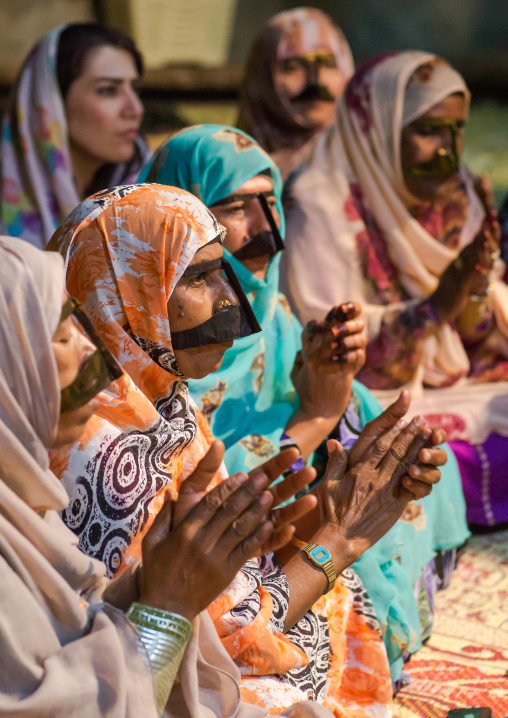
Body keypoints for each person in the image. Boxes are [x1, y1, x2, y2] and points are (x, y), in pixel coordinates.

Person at [48, 183, 439, 715]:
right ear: (129, 287)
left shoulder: (155, 398)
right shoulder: (105, 458)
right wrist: (341, 537)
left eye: (220, 271)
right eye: (198, 277)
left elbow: (228, 584)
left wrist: (330, 504)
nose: (231, 299)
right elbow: (234, 640)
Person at [140, 124, 469, 685]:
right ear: (180, 222)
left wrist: (337, 395)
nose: (266, 231)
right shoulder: (151, 351)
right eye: (233, 207)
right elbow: (205, 503)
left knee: (400, 449)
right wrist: (314, 419)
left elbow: (332, 418)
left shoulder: (274, 317)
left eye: (270, 203)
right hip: (210, 567)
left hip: (282, 506)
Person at [0, 234, 330, 717]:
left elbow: (85, 623)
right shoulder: (97, 461)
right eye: (59, 332)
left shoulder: (26, 499)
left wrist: (166, 575)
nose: (95, 351)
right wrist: (170, 602)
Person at [282, 50, 508, 528]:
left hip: (448, 388)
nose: (447, 149)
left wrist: (471, 292)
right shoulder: (318, 206)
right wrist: (438, 302)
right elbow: (332, 362)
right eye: (427, 131)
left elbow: (478, 347)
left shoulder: (454, 192)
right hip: (355, 408)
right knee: (393, 462)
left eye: (457, 129)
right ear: (375, 128)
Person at [1, 23, 147, 249]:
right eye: (108, 90)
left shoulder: (149, 192)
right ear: (50, 105)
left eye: (134, 89)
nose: (135, 109)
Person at [237, 7, 354, 182]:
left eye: (328, 64)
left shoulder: (368, 169)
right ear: (262, 77)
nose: (316, 82)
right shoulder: (229, 175)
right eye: (292, 67)